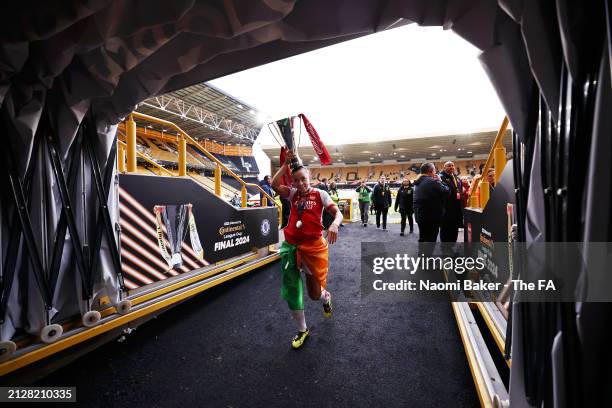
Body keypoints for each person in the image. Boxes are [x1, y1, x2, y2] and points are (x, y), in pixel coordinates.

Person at [271, 152, 343, 350]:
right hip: (291, 247)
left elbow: (337, 213)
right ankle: (303, 329)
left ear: (309, 177)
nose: (300, 183)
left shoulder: (321, 194)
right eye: (296, 180)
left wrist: (335, 224)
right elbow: (275, 185)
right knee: (293, 288)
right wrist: (285, 165)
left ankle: (325, 297)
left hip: (312, 248)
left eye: (303, 179)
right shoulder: (293, 194)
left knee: (313, 294)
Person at [413, 163, 450, 243]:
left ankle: (422, 255)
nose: (435, 172)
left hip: (420, 215)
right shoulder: (432, 181)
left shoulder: (418, 181)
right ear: (431, 171)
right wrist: (440, 181)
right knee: (430, 240)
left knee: (422, 238)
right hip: (431, 217)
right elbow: (447, 191)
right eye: (435, 170)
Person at [438, 161, 463, 243]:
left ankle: (453, 245)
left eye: (453, 165)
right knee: (446, 229)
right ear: (444, 168)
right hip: (446, 208)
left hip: (456, 208)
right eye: (449, 166)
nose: (452, 167)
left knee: (454, 228)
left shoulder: (456, 178)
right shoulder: (440, 177)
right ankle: (445, 249)